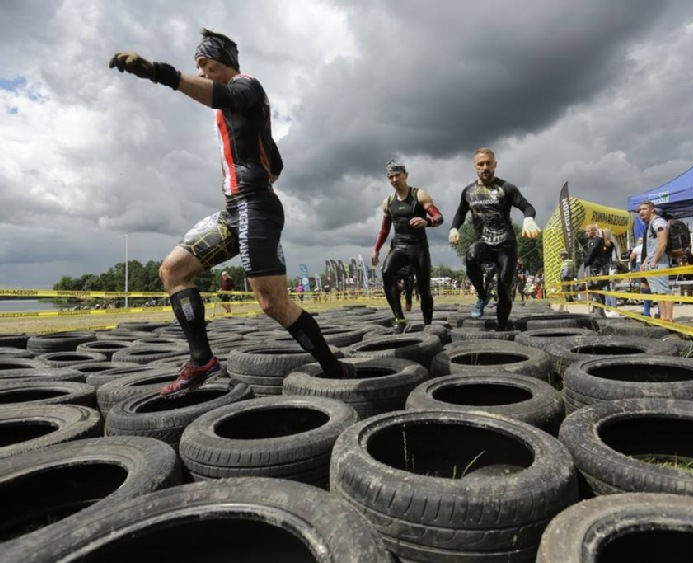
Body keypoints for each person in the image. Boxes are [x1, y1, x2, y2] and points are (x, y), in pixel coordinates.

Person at [109, 29, 356, 397]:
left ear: (225, 63)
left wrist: (156, 71)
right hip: (233, 210)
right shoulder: (238, 110)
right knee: (173, 271)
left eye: (206, 65)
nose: (203, 73)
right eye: (198, 67)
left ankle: (333, 368)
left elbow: (222, 96)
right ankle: (201, 361)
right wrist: (265, 163)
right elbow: (275, 157)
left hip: (257, 206)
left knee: (273, 304)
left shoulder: (247, 85)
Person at [449, 148, 540, 328]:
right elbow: (460, 213)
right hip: (483, 242)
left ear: (495, 165)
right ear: (475, 167)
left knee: (504, 286)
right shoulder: (468, 191)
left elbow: (526, 205)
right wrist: (453, 228)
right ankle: (483, 295)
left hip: (506, 245)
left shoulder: (506, 188)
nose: (485, 167)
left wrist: (529, 218)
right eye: (480, 164)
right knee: (471, 256)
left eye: (488, 163)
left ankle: (501, 326)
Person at [372, 160, 444, 333]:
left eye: (398, 175)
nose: (395, 179)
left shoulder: (419, 195)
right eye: (391, 177)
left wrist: (426, 221)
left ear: (406, 175)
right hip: (399, 247)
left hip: (419, 248)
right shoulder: (388, 202)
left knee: (423, 288)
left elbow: (439, 217)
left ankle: (428, 324)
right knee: (386, 272)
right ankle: (399, 318)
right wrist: (376, 249)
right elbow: (384, 229)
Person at [639, 201, 673, 322]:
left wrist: (654, 260)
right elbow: (651, 247)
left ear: (652, 209)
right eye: (640, 210)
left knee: (664, 292)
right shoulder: (651, 225)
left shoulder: (658, 222)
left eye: (644, 209)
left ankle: (668, 318)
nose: (641, 212)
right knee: (658, 293)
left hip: (660, 263)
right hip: (654, 263)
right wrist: (645, 262)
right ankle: (664, 318)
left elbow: (663, 243)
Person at [582, 224, 607, 316]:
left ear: (593, 231)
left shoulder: (596, 240)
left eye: (588, 231)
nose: (586, 233)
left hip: (596, 266)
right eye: (586, 231)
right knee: (594, 288)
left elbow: (591, 253)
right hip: (594, 265)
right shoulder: (593, 241)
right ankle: (597, 308)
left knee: (596, 287)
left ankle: (600, 310)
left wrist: (584, 263)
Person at [629, 236, 652, 317]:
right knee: (650, 283)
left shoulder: (637, 248)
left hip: (639, 264)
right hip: (649, 264)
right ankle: (650, 301)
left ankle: (646, 303)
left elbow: (631, 257)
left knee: (642, 284)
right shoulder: (648, 247)